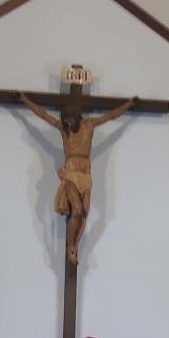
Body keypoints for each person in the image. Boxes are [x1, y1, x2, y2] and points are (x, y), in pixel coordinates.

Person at [17, 92, 139, 264]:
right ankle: (70, 247)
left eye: (70, 119)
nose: (67, 122)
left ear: (77, 117)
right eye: (65, 119)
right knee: (76, 208)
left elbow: (111, 116)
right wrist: (24, 100)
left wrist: (128, 105)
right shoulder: (63, 129)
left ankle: (74, 244)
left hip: (85, 171)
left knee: (84, 211)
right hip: (71, 170)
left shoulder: (90, 125)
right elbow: (42, 115)